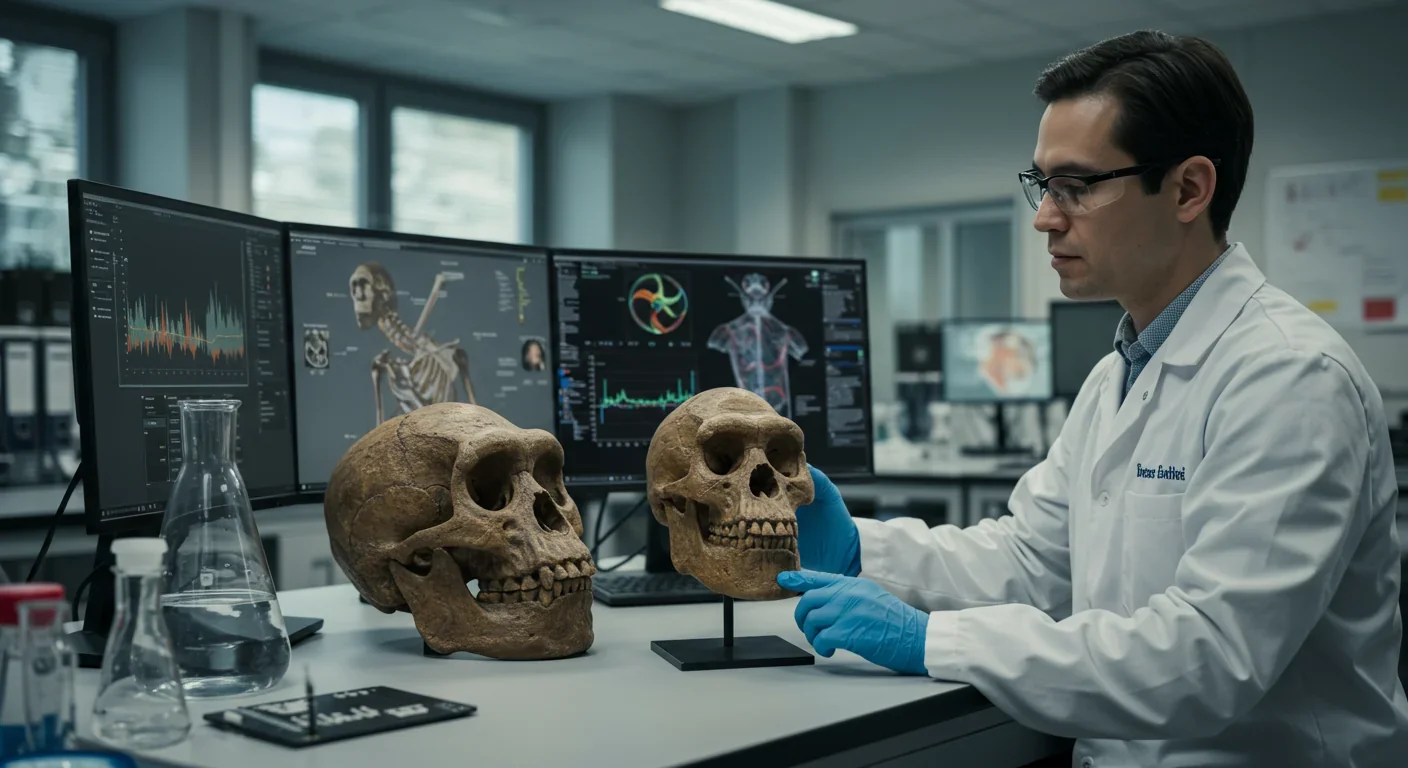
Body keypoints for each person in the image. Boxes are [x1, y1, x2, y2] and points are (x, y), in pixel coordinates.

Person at [778, 30, 1408, 767]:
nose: (1045, 216)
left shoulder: (1290, 379)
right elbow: (1032, 561)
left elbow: (1209, 655)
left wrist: (932, 641)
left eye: (1077, 186)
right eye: (1042, 184)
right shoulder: (1122, 373)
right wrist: (863, 546)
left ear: (1188, 189)